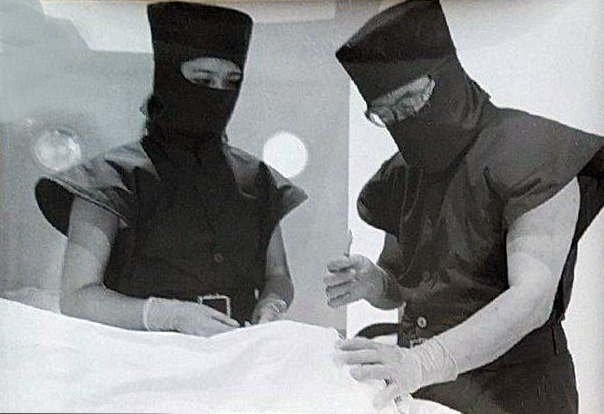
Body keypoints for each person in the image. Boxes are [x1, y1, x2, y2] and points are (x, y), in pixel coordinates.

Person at [324, 1, 604, 413]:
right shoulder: (405, 173)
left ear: (447, 75)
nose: (404, 121)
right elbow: (405, 285)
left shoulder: (533, 152)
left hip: (516, 393)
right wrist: (375, 284)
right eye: (387, 114)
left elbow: (531, 300)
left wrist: (423, 362)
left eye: (410, 101)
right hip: (427, 391)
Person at [35, 2, 307, 337]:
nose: (218, 93)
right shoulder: (109, 178)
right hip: (141, 355)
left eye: (231, 81)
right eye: (203, 79)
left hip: (236, 350)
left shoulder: (256, 179)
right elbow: (77, 297)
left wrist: (272, 304)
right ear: (168, 78)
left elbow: (277, 274)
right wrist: (166, 315)